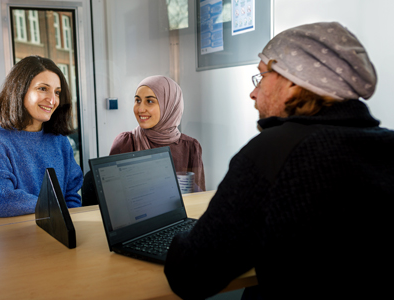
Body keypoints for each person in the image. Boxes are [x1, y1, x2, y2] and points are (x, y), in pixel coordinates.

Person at [164, 22, 394, 299]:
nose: (253, 92)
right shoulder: (387, 142)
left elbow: (191, 275)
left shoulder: (275, 151)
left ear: (295, 81)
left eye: (260, 77)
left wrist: (177, 240)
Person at [0, 56, 83, 219]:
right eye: (42, 89)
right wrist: (56, 208)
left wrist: (68, 224)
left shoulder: (60, 141)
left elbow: (71, 194)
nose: (52, 100)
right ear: (20, 90)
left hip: (59, 231)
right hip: (11, 235)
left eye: (57, 92)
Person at [109, 75, 205, 192]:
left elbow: (198, 198)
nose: (140, 109)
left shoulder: (190, 147)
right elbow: (112, 196)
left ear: (170, 106)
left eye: (149, 101)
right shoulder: (125, 143)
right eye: (137, 100)